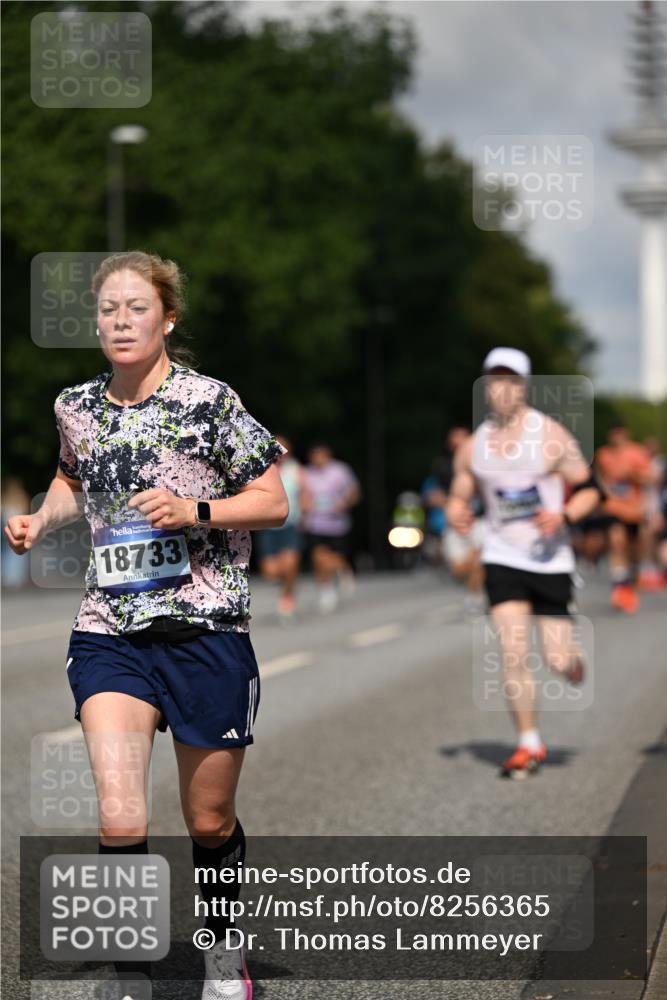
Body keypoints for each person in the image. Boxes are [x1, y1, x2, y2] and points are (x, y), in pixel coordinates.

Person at [4, 251, 287, 1000]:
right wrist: (42, 516)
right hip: (110, 629)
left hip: (206, 630)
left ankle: (223, 950)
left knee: (208, 819)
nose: (121, 321)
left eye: (136, 308)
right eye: (108, 310)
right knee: (121, 814)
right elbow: (73, 476)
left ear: (167, 318)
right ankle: (130, 977)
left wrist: (195, 510)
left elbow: (272, 498)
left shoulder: (210, 401)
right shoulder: (77, 405)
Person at [447, 347, 604, 779]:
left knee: (556, 658)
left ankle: (573, 663)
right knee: (512, 652)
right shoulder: (474, 448)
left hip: (551, 561)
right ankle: (528, 743)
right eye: (495, 380)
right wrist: (458, 511)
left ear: (525, 386)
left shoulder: (551, 435)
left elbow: (591, 489)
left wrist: (565, 514)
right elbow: (459, 495)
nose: (503, 388)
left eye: (512, 380)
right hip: (503, 558)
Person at [595, 424, 657, 612]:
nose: (615, 438)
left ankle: (630, 576)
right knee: (616, 539)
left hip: (635, 510)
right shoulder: (603, 454)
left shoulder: (637, 452)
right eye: (612, 434)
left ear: (625, 435)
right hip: (613, 508)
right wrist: (604, 489)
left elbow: (651, 479)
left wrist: (633, 475)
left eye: (619, 434)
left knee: (633, 549)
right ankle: (619, 582)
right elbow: (599, 476)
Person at [255, 435, 310, 621]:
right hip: (268, 526)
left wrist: (306, 510)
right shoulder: (261, 469)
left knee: (291, 564)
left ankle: (287, 599)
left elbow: (305, 494)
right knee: (270, 571)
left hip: (291, 524)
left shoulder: (296, 470)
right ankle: (285, 583)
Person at [303, 443, 361, 613]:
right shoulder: (308, 473)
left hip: (337, 524)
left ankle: (344, 569)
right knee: (318, 558)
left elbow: (354, 492)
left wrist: (344, 503)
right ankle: (326, 591)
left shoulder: (340, 470)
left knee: (334, 557)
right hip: (315, 523)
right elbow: (303, 494)